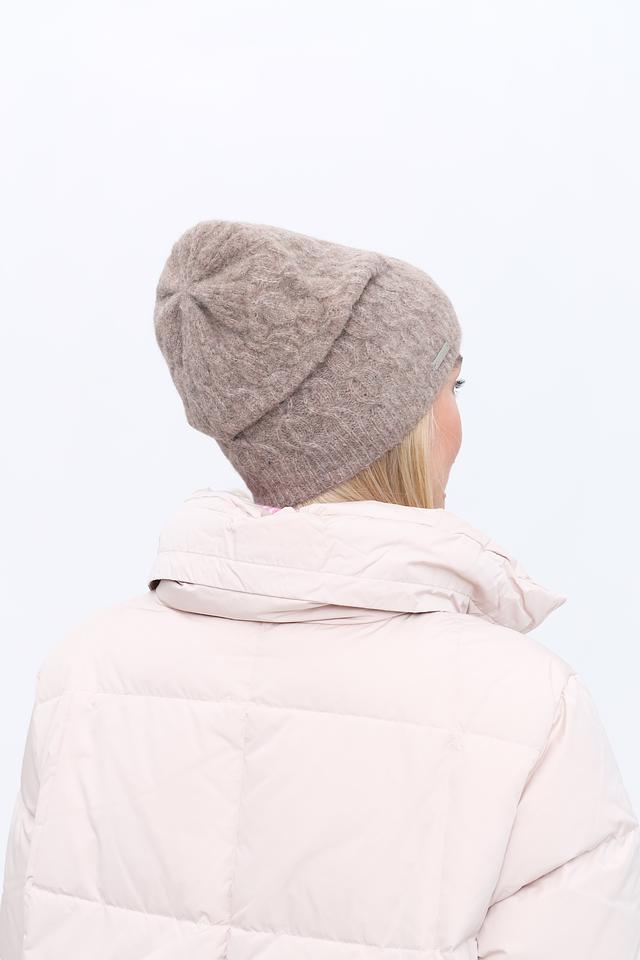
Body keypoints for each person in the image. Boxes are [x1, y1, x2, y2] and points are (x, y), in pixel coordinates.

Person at [0, 220, 638, 960]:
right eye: (451, 387)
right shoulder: (528, 707)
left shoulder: (84, 673)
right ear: (398, 426)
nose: (457, 421)